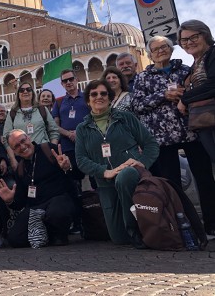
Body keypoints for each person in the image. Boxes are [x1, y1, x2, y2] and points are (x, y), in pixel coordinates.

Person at [132, 35, 215, 236]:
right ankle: (183, 226)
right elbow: (137, 105)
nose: (160, 51)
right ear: (150, 55)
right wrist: (163, 95)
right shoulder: (143, 77)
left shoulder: (186, 70)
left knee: (204, 179)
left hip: (191, 132)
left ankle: (211, 224)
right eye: (156, 49)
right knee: (172, 184)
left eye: (164, 47)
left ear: (171, 49)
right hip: (162, 138)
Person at [75, 80, 159, 248]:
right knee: (119, 238)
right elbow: (81, 160)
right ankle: (130, 230)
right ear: (87, 100)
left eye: (103, 93)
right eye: (94, 94)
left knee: (125, 175)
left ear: (110, 98)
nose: (99, 97)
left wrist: (141, 163)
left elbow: (151, 145)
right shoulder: (82, 128)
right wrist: (104, 171)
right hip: (105, 183)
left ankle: (135, 229)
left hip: (132, 176)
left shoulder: (125, 118)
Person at [0, 129, 75, 247]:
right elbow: (20, 202)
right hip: (36, 207)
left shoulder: (49, 150)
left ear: (29, 138)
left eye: (23, 141)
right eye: (16, 146)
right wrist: (10, 200)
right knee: (15, 239)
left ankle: (57, 235)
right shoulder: (20, 168)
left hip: (59, 198)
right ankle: (44, 234)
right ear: (14, 151)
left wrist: (67, 167)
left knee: (56, 213)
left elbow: (77, 175)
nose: (22, 146)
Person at [52, 69, 91, 233]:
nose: (68, 83)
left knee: (92, 184)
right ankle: (77, 222)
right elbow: (54, 125)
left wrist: (80, 132)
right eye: (65, 81)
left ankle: (94, 220)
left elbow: (94, 118)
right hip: (68, 148)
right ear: (62, 84)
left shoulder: (88, 97)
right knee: (72, 186)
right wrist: (68, 133)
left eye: (71, 79)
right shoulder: (60, 102)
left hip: (88, 146)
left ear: (77, 79)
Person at [177, 20, 215, 164]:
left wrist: (185, 98)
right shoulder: (194, 65)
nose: (189, 42)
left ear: (205, 35)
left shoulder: (212, 54)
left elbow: (212, 84)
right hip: (204, 123)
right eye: (184, 40)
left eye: (194, 37)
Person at [3, 82, 59, 170]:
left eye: (29, 89)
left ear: (32, 93)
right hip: (22, 155)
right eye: (22, 90)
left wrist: (52, 148)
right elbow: (6, 138)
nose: (25, 92)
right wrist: (12, 159)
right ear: (18, 94)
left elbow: (54, 131)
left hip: (44, 152)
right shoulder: (12, 113)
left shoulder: (42, 109)